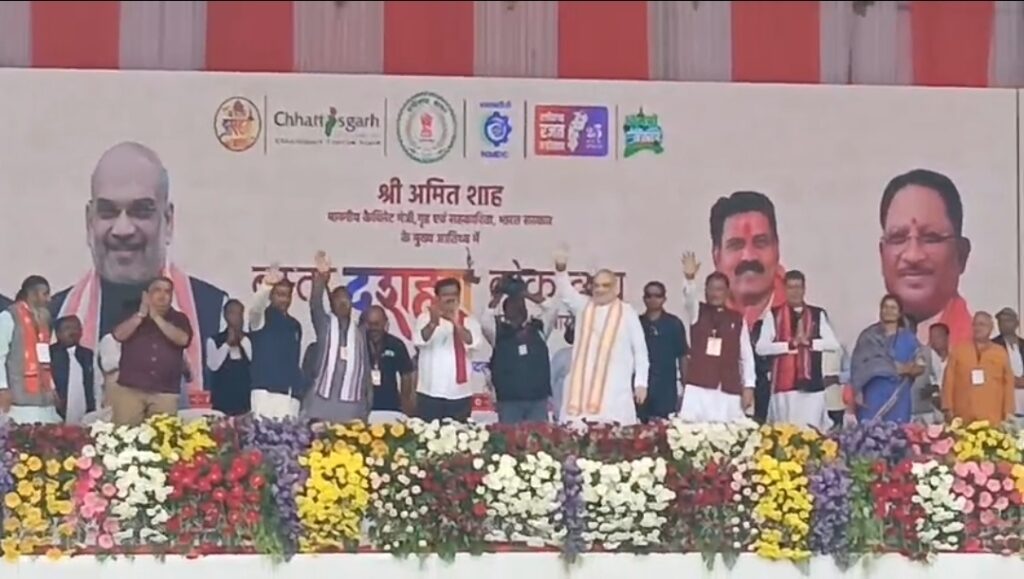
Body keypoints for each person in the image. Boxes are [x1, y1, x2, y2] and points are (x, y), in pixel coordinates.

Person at [51, 142, 228, 396]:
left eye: (141, 211)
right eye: (108, 212)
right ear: (90, 222)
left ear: (168, 221)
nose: (123, 230)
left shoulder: (214, 313)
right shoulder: (52, 318)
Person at [554, 250, 649, 425]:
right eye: (596, 285)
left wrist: (641, 383)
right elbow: (566, 293)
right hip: (581, 391)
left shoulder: (627, 312)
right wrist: (561, 270)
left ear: (616, 288)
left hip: (613, 393)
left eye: (606, 285)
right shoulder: (584, 306)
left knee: (613, 435)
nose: (600, 290)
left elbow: (640, 351)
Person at [878, 169, 972, 345]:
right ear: (882, 254)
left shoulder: (973, 343)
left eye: (931, 238)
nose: (913, 256)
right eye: (898, 238)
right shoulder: (871, 342)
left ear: (961, 254)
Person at [755, 270, 840, 429]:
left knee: (811, 432)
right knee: (785, 432)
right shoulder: (773, 315)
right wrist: (789, 345)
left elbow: (833, 344)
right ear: (784, 289)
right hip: (785, 387)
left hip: (812, 387)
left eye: (798, 287)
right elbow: (761, 348)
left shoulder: (817, 314)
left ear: (804, 289)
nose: (795, 292)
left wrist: (810, 343)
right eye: (790, 287)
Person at [678, 253, 756, 422]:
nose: (715, 293)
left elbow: (746, 356)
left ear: (727, 292)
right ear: (705, 291)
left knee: (728, 432)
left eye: (719, 289)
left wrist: (749, 386)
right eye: (711, 289)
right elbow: (689, 297)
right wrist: (690, 279)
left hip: (728, 388)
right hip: (699, 386)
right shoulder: (697, 312)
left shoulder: (737, 319)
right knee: (693, 431)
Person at [110, 277, 193, 425]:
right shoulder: (130, 312)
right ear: (146, 295)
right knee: (125, 434)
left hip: (165, 391)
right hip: (130, 389)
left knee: (163, 435)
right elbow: (119, 335)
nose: (162, 295)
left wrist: (156, 317)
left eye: (167, 291)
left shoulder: (179, 318)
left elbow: (183, 340)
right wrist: (141, 315)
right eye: (157, 290)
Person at [303, 251, 372, 423]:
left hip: (352, 408)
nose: (343, 303)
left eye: (346, 299)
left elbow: (366, 371)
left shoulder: (360, 332)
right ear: (332, 303)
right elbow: (315, 304)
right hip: (321, 404)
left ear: (351, 303)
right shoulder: (324, 325)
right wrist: (321, 278)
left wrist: (367, 403)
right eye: (338, 299)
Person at [481, 283, 559, 424]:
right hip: (509, 402)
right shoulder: (497, 331)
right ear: (505, 311)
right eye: (512, 305)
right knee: (509, 437)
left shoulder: (539, 328)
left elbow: (552, 308)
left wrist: (526, 294)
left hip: (537, 401)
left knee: (538, 437)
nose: (517, 309)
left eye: (521, 305)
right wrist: (497, 297)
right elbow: (485, 320)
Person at [708, 191, 787, 327]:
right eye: (735, 245)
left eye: (760, 242)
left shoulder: (808, 319)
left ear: (777, 249)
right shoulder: (703, 319)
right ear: (717, 257)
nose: (749, 256)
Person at [413, 277, 484, 422]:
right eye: (445, 295)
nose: (450, 298)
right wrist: (433, 323)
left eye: (454, 294)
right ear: (437, 298)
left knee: (460, 434)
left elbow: (473, 342)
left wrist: (456, 323)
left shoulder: (469, 320)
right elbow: (419, 340)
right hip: (430, 392)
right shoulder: (425, 318)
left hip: (460, 393)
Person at [850, 294, 924, 424]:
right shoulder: (868, 336)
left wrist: (906, 369)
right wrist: (857, 391)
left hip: (898, 394)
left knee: (898, 433)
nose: (889, 311)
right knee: (869, 433)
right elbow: (857, 366)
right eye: (885, 307)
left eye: (893, 308)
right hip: (872, 393)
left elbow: (921, 366)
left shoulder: (909, 338)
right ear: (880, 311)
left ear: (899, 313)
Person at [0, 277, 61, 424]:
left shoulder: (43, 319)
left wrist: (52, 387)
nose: (49, 299)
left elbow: (45, 358)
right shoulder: (8, 317)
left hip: (44, 399)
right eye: (45, 294)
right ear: (32, 295)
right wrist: (2, 388)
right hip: (18, 399)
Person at [248, 266, 304, 419]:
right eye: (280, 295)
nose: (284, 300)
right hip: (265, 394)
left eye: (287, 295)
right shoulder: (261, 318)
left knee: (290, 434)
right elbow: (255, 309)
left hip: (289, 395)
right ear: (271, 296)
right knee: (261, 433)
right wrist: (265, 285)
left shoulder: (295, 325)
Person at [942, 312, 1015, 424]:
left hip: (993, 416)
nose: (978, 328)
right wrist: (947, 407)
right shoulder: (959, 350)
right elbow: (948, 380)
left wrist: (1008, 411)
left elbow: (1008, 383)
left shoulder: (1000, 352)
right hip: (963, 415)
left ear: (991, 328)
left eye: (982, 324)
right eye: (975, 324)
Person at [638, 281, 688, 422]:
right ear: (644, 299)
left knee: (664, 427)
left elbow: (683, 355)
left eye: (657, 295)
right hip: (641, 386)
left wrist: (686, 383)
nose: (653, 299)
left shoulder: (674, 323)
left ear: (664, 298)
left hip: (666, 387)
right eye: (649, 295)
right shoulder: (637, 322)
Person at [362, 305, 415, 416]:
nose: (373, 328)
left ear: (385, 324)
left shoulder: (396, 344)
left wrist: (405, 400)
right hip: (362, 404)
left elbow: (406, 374)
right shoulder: (359, 344)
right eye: (369, 324)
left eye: (377, 324)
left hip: (390, 403)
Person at [205, 299, 252, 416]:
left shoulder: (249, 340)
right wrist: (227, 344)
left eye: (240, 314)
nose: (237, 318)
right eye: (233, 313)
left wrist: (243, 340)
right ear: (226, 316)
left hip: (245, 402)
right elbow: (213, 366)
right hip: (222, 400)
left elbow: (254, 362)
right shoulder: (214, 340)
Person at [50, 316, 98, 424]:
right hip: (56, 414)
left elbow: (96, 383)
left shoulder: (88, 355)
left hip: (85, 414)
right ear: (57, 333)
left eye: (76, 328)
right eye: (67, 328)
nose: (73, 332)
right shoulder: (49, 354)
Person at [992, 307, 1024, 417]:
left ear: (1016, 323)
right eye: (1001, 321)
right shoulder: (993, 345)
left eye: (1007, 320)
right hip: (1003, 400)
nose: (1003, 324)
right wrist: (1010, 380)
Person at [548, 319, 575, 423]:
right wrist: (554, 405)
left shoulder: (594, 356)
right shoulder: (562, 356)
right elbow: (550, 381)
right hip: (563, 412)